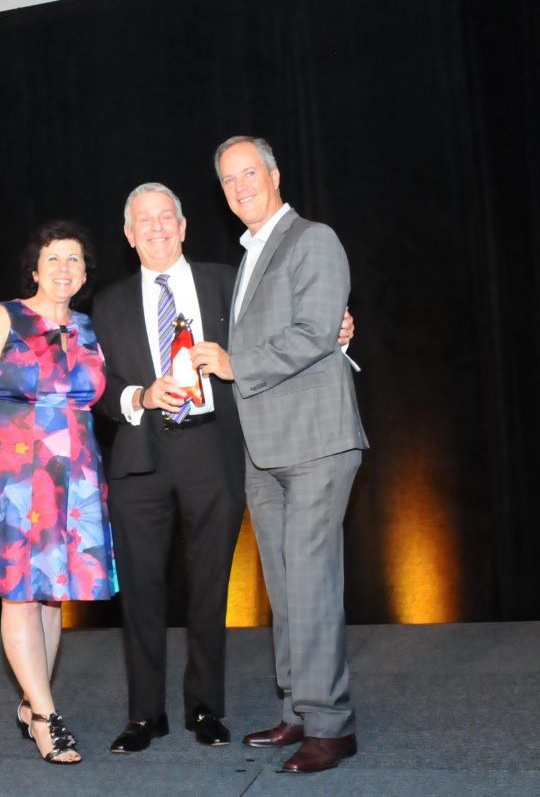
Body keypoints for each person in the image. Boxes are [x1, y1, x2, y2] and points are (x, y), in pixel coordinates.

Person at [91, 182, 354, 754]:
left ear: (183, 227)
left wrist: (337, 323)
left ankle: (205, 708)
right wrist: (139, 395)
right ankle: (144, 716)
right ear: (129, 235)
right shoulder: (106, 304)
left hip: (215, 451)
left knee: (211, 589)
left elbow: (288, 324)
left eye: (167, 217)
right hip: (140, 460)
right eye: (144, 221)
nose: (157, 228)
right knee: (141, 591)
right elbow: (97, 387)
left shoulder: (230, 283)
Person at [191, 136, 369, 773]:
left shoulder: (312, 239)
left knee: (312, 582)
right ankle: (297, 708)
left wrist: (235, 363)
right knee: (287, 587)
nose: (240, 187)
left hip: (316, 440)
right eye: (228, 180)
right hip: (264, 447)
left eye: (249, 174)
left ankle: (331, 725)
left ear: (274, 175)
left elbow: (316, 332)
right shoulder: (250, 257)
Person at [0, 220, 118, 765]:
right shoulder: (5, 316)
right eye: (54, 258)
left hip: (73, 477)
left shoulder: (90, 329)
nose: (64, 267)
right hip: (12, 474)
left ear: (85, 273)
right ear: (35, 269)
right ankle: (45, 716)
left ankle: (31, 702)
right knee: (19, 593)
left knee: (50, 595)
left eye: (74, 259)